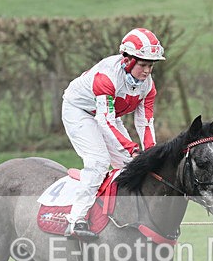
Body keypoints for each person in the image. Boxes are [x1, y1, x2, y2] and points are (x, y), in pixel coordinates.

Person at [61, 27, 166, 239]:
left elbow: (145, 122)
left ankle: (127, 214)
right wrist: (133, 148)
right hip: (80, 112)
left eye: (151, 66)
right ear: (128, 60)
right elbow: (104, 121)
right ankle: (75, 220)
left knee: (131, 166)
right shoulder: (106, 77)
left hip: (106, 115)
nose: (147, 71)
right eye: (143, 65)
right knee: (99, 162)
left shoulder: (148, 86)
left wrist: (150, 154)